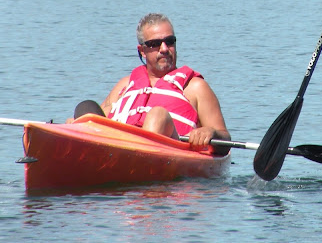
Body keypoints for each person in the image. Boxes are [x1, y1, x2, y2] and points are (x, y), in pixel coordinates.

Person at [69, 13, 231, 155]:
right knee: (85, 108)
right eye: (155, 44)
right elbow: (98, 121)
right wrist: (76, 125)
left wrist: (211, 133)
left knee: (158, 115)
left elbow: (225, 140)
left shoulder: (195, 87)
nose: (164, 49)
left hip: (165, 155)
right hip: (116, 150)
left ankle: (136, 161)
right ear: (142, 51)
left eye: (170, 41)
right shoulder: (125, 85)